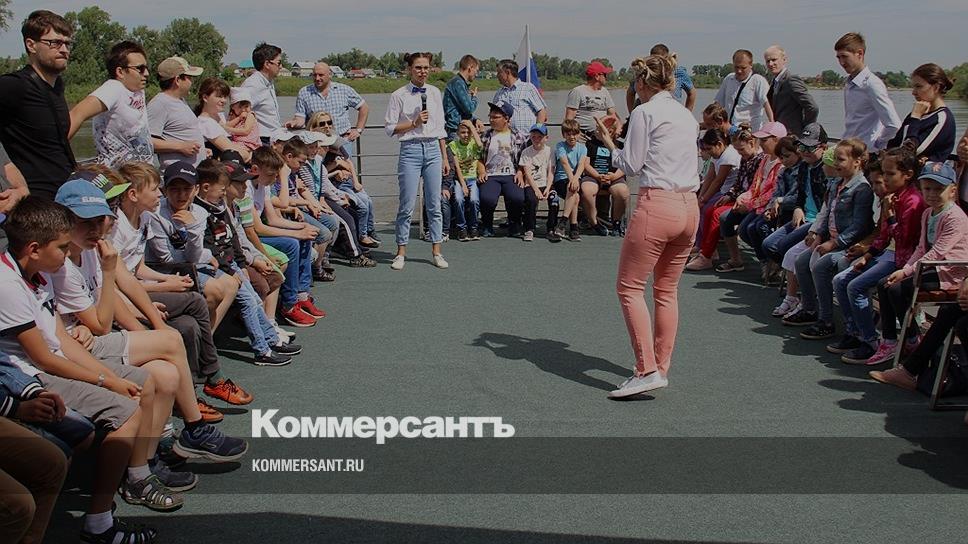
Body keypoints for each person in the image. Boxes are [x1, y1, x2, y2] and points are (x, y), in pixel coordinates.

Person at [1, 197, 161, 542]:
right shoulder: (8, 285)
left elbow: (62, 339)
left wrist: (111, 378)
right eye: (61, 247)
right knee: (127, 412)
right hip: (30, 377)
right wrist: (105, 380)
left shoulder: (38, 274)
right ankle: (99, 523)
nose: (66, 254)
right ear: (34, 249)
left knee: (144, 382)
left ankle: (137, 476)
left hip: (54, 363)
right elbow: (43, 359)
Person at [593, 54, 700, 399]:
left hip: (659, 205)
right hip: (690, 207)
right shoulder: (686, 115)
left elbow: (630, 164)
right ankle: (660, 367)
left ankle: (647, 369)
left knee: (630, 288)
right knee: (666, 291)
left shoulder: (644, 112)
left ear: (641, 83)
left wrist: (609, 141)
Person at [194, 159, 302, 365]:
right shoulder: (202, 212)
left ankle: (270, 339)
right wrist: (233, 269)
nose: (244, 187)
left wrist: (242, 264)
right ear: (206, 187)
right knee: (249, 301)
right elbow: (212, 248)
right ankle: (262, 350)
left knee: (254, 300)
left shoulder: (222, 207)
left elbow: (234, 240)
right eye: (223, 187)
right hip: (220, 267)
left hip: (233, 264)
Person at [831, 146, 926, 363]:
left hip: (902, 260)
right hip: (888, 254)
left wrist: (891, 216)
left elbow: (904, 240)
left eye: (890, 174)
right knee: (840, 280)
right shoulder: (893, 197)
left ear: (908, 174)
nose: (885, 179)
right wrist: (867, 256)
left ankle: (871, 341)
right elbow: (883, 236)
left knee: (856, 287)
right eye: (884, 173)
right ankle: (855, 332)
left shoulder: (912, 202)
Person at [869, 162, 968, 365]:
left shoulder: (956, 217)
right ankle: (890, 340)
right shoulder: (927, 213)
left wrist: (906, 272)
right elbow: (922, 248)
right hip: (931, 267)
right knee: (883, 284)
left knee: (897, 289)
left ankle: (912, 338)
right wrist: (906, 269)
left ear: (952, 191)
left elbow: (938, 252)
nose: (932, 194)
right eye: (927, 189)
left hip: (949, 271)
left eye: (938, 189)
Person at [784, 139, 876, 340]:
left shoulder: (862, 189)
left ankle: (826, 320)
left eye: (841, 159)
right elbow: (828, 214)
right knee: (801, 261)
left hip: (849, 245)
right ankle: (809, 309)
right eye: (835, 159)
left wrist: (835, 243)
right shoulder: (836, 183)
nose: (836, 164)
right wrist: (818, 234)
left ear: (857, 162)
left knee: (821, 266)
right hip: (830, 239)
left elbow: (859, 226)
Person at [384, 52, 450, 271]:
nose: (423, 71)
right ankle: (400, 252)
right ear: (409, 69)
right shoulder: (398, 95)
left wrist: (444, 157)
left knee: (434, 204)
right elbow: (390, 128)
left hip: (432, 149)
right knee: (407, 204)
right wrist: (413, 123)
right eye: (418, 67)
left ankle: (437, 251)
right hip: (410, 149)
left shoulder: (435, 92)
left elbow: (440, 128)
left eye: (426, 67)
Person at [0, 10, 76, 200]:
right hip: (33, 202)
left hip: (64, 195)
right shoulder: (14, 85)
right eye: (55, 43)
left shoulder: (57, 85)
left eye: (67, 43)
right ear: (31, 45)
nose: (64, 49)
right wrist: (11, 180)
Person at [763, 123, 829, 316]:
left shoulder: (826, 170)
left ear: (823, 147)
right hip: (803, 217)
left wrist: (814, 226)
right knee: (769, 244)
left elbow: (827, 206)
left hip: (816, 221)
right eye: (802, 146)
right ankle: (797, 288)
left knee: (787, 248)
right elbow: (800, 196)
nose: (805, 151)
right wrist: (798, 208)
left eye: (810, 147)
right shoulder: (804, 168)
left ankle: (796, 293)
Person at [69, 40, 154, 167]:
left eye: (146, 68)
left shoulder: (137, 90)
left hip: (142, 173)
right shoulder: (114, 88)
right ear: (120, 72)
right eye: (140, 69)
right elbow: (77, 114)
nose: (146, 73)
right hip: (117, 174)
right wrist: (55, 153)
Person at [835, 32, 901, 152]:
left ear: (860, 53)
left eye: (845, 56)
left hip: (866, 152)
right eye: (838, 57)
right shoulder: (849, 83)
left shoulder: (871, 84)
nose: (841, 62)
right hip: (849, 149)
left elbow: (893, 124)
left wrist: (877, 144)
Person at [288, 62, 369, 155]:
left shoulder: (344, 90)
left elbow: (364, 107)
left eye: (321, 75)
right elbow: (300, 118)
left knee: (345, 164)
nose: (317, 78)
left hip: (342, 140)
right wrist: (294, 123)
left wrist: (358, 130)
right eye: (314, 75)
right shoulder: (304, 92)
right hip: (317, 144)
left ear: (330, 75)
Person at [478, 101, 531, 239]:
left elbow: (524, 158)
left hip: (511, 173)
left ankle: (514, 223)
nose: (491, 120)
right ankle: (487, 224)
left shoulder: (518, 136)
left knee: (517, 198)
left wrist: (520, 172)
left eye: (495, 117)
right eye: (490, 117)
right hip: (491, 174)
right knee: (487, 198)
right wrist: (482, 171)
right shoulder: (485, 136)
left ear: (506, 119)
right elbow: (479, 158)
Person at [886, 63, 957, 163]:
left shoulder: (942, 118)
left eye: (918, 86)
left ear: (936, 88)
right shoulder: (917, 113)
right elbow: (894, 144)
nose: (913, 92)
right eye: (913, 87)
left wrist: (915, 118)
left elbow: (909, 152)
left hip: (921, 172)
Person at [147, 56, 206, 168]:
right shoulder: (159, 103)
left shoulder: (180, 100)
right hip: (178, 174)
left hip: (192, 171)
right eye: (189, 77)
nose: (192, 82)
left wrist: (202, 150)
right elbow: (147, 142)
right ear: (178, 80)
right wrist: (181, 146)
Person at [763, 45, 818, 137]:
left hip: (793, 135)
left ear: (784, 59)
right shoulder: (775, 81)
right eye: (768, 61)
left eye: (774, 60)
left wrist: (806, 129)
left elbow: (812, 107)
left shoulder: (791, 80)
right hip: (781, 134)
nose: (771, 64)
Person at [194, 77, 252, 163]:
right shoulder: (205, 123)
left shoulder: (219, 116)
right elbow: (232, 151)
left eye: (225, 97)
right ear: (205, 98)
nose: (224, 100)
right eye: (219, 96)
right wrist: (250, 155)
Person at [626, 44, 697, 113]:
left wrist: (687, 113)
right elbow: (630, 93)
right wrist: (631, 114)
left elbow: (692, 93)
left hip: (673, 112)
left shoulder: (678, 72)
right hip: (647, 111)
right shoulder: (643, 73)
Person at [714, 49, 773, 131]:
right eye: (736, 67)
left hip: (750, 132)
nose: (739, 71)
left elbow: (767, 104)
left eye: (743, 68)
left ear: (751, 65)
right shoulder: (729, 79)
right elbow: (718, 104)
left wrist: (772, 126)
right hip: (729, 130)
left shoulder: (758, 81)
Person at [519, 123, 558, 242]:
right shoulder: (526, 152)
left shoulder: (550, 151)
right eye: (533, 137)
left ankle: (551, 228)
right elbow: (527, 174)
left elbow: (551, 172)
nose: (536, 139)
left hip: (546, 183)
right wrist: (536, 190)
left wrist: (548, 188)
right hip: (531, 184)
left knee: (554, 200)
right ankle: (529, 228)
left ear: (546, 138)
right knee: (531, 200)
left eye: (540, 137)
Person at [551, 119, 589, 241]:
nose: (572, 137)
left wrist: (575, 179)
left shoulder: (582, 148)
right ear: (563, 135)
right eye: (568, 134)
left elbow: (581, 164)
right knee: (573, 191)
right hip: (561, 179)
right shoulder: (560, 146)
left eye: (574, 134)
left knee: (575, 195)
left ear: (579, 134)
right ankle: (572, 227)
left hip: (576, 178)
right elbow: (564, 163)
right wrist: (572, 180)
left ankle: (564, 224)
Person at [448, 120, 484, 241]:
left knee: (474, 200)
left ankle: (473, 227)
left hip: (472, 178)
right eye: (463, 132)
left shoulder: (473, 144)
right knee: (459, 199)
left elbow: (480, 146)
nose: (466, 135)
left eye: (468, 133)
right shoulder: (453, 145)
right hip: (460, 179)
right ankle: (461, 228)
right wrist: (463, 184)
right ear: (458, 133)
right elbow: (457, 167)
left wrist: (471, 127)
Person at [565, 61, 619, 141]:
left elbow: (612, 114)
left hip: (602, 137)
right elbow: (569, 119)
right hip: (583, 139)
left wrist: (617, 129)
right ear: (597, 76)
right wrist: (574, 135)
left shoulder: (605, 92)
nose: (606, 77)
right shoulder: (577, 91)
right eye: (604, 75)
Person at [241, 43, 284, 143]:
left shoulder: (268, 82)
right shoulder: (253, 85)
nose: (281, 67)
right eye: (279, 63)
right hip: (262, 139)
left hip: (274, 136)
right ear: (267, 64)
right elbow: (239, 112)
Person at [492, 59, 548, 134]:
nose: (497, 75)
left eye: (499, 72)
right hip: (505, 138)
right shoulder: (499, 93)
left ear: (508, 72)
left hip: (527, 137)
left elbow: (541, 111)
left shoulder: (528, 88)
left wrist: (537, 132)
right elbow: (494, 114)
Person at [443, 55, 483, 141]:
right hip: (456, 131)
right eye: (476, 70)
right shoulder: (458, 83)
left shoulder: (459, 83)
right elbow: (469, 109)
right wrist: (474, 97)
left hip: (459, 130)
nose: (476, 74)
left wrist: (475, 120)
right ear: (470, 68)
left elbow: (461, 111)